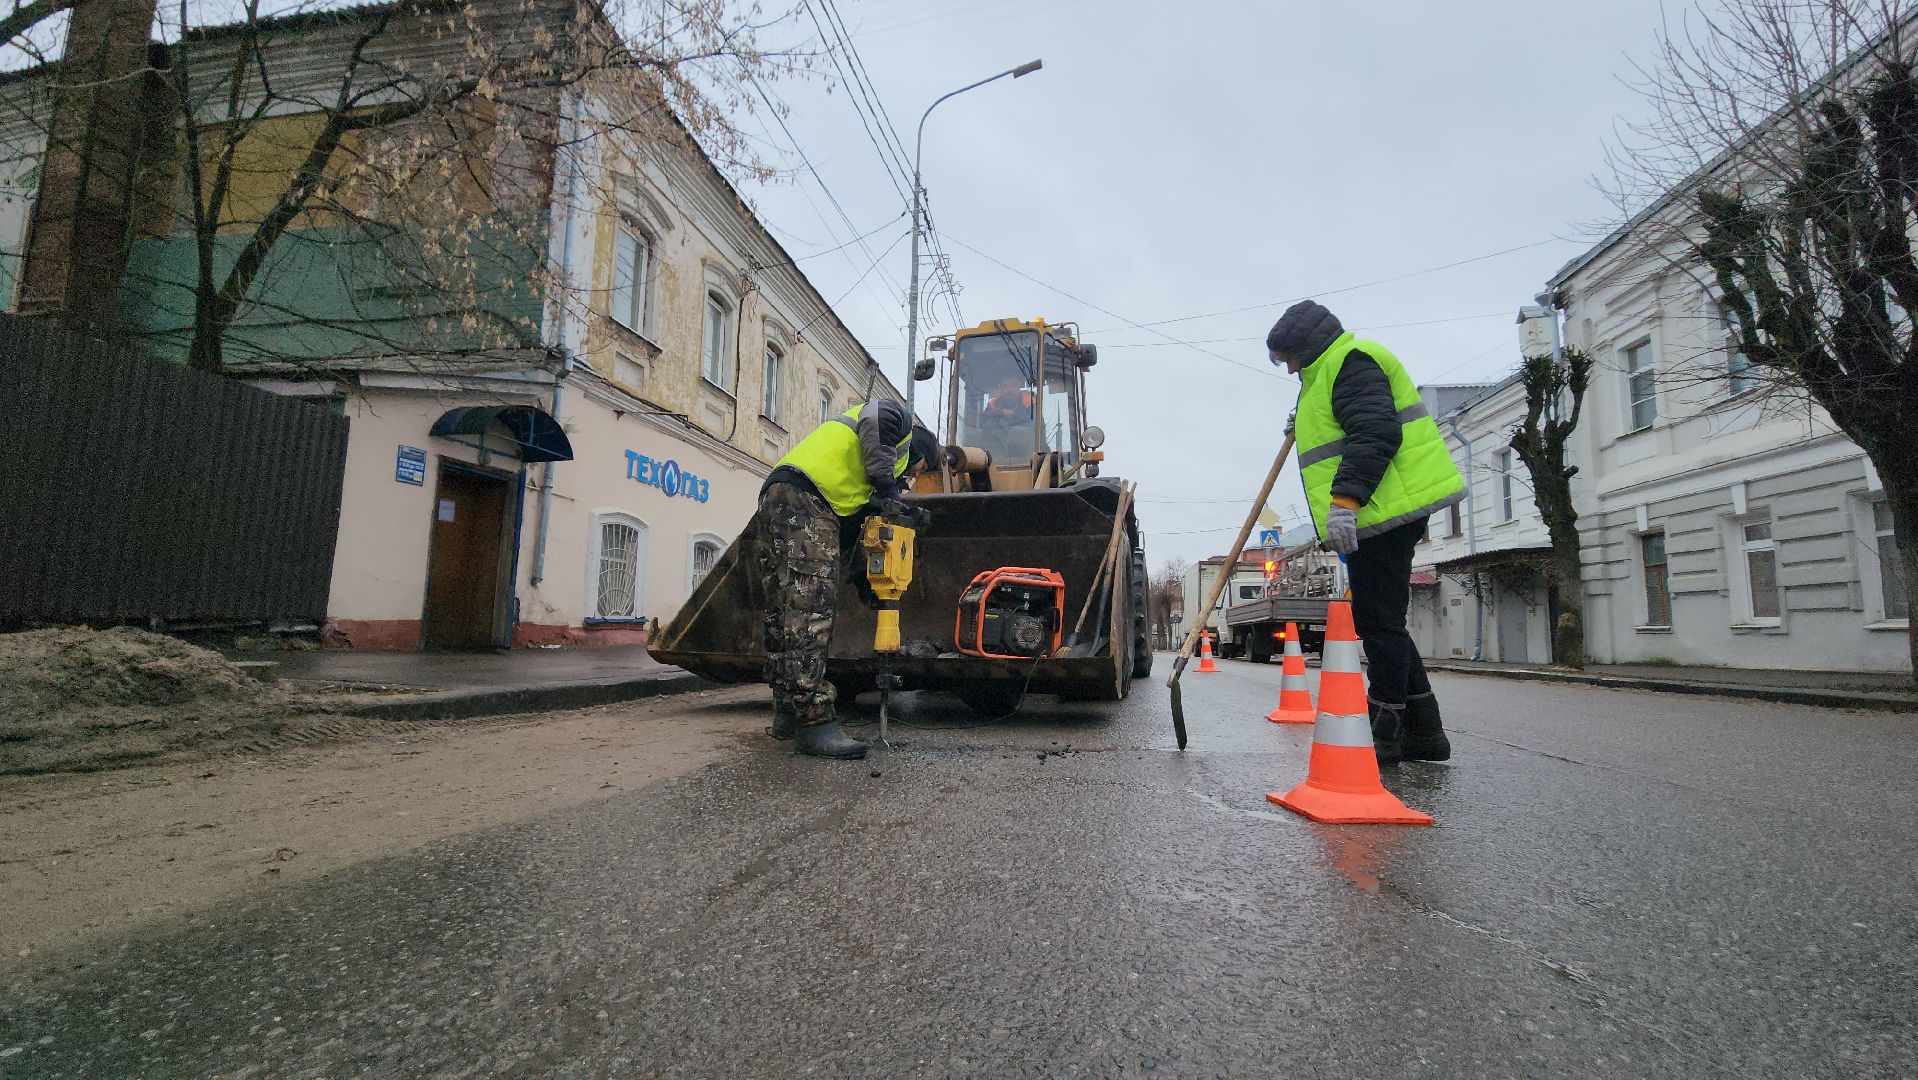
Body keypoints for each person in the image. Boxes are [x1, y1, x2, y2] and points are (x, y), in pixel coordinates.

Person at [1266, 300, 1465, 764]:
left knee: (1378, 624)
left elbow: (1375, 433)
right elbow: (1342, 430)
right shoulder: (1325, 377)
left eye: (1288, 358)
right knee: (1382, 621)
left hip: (1383, 508)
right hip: (1380, 510)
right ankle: (1425, 732)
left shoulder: (1352, 361)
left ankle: (1385, 729)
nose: (1287, 368)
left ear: (1305, 347)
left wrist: (1345, 503)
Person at [757, 398, 940, 760]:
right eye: (921, 469)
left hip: (781, 492)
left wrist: (869, 586)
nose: (915, 477)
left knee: (784, 609)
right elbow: (876, 418)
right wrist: (889, 489)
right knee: (809, 612)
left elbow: (851, 545)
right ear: (921, 453)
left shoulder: (855, 483)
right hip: (808, 497)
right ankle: (814, 722)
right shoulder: (898, 422)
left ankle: (788, 713)